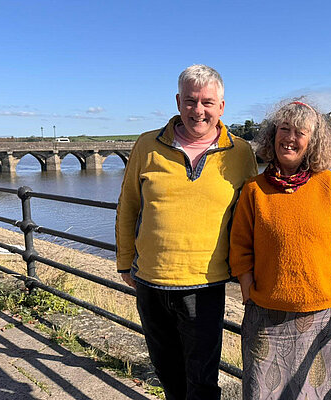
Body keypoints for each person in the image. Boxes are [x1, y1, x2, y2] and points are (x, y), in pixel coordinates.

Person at [115, 64, 257, 400]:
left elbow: (253, 215)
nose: (199, 110)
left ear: (221, 107)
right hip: (149, 280)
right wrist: (124, 262)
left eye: (208, 102)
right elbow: (129, 206)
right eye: (191, 101)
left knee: (203, 379)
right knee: (167, 372)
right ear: (178, 101)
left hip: (204, 284)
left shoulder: (240, 152)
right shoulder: (147, 145)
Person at [230, 100, 331, 399]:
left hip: (322, 312)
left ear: (312, 142)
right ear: (272, 134)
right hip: (267, 316)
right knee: (264, 391)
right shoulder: (254, 190)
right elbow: (239, 246)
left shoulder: (327, 184)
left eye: (300, 132)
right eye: (284, 129)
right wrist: (248, 285)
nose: (289, 137)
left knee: (322, 392)